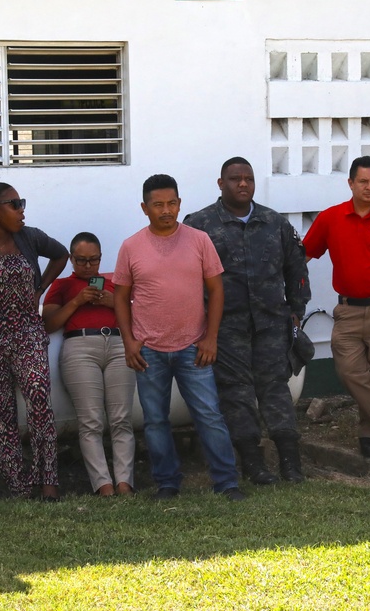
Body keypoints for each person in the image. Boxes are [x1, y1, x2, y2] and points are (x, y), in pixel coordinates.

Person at [113, 174, 245, 501]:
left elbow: (216, 291)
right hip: (148, 350)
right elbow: (119, 297)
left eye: (172, 203)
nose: (166, 210)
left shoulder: (199, 240)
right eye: (158, 204)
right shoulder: (131, 246)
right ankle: (167, 484)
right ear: (144, 208)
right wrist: (129, 341)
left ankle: (227, 482)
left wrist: (210, 338)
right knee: (156, 420)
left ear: (180, 204)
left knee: (209, 414)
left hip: (193, 346)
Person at [184, 157, 311, 484]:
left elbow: (296, 269)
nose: (243, 184)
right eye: (235, 178)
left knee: (276, 390)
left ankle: (290, 464)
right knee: (236, 394)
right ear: (220, 183)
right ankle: (253, 465)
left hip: (271, 324)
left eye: (248, 179)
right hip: (225, 328)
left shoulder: (275, 223)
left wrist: (297, 309)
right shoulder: (198, 225)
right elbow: (186, 278)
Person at [0, 183, 69, 501]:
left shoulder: (29, 237)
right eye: (15, 204)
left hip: (26, 332)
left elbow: (61, 254)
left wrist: (40, 289)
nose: (22, 210)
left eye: (21, 203)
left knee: (38, 400)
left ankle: (48, 480)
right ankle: (17, 485)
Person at [301, 156, 370, 459]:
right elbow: (304, 255)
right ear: (350, 183)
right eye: (363, 181)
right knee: (349, 369)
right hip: (348, 310)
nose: (369, 187)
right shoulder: (330, 218)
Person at [42, 232, 136, 497]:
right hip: (80, 347)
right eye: (81, 260)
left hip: (118, 344)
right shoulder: (61, 285)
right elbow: (49, 325)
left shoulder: (116, 283)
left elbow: (139, 315)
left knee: (121, 418)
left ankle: (125, 482)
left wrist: (113, 302)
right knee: (91, 420)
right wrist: (77, 301)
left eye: (93, 260)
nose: (88, 266)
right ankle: (103, 484)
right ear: (71, 259)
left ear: (101, 258)